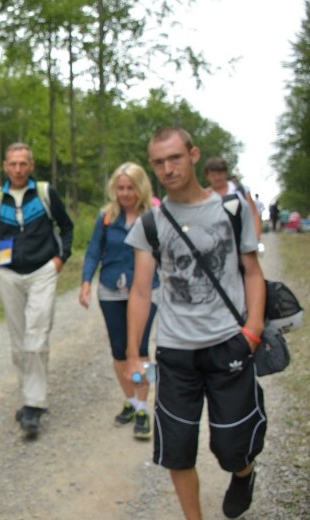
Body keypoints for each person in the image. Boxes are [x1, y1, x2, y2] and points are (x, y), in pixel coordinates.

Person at [126, 128, 267, 520]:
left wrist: (251, 332)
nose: (167, 169)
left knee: (231, 446)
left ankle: (243, 471)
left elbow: (253, 273)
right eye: (158, 162)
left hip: (229, 345)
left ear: (193, 155)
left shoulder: (232, 210)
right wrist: (134, 352)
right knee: (177, 447)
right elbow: (140, 292)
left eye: (175, 158)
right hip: (175, 351)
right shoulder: (151, 223)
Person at [0, 142, 74, 439]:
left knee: (36, 338)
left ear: (31, 166)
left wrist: (61, 258)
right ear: (5, 167)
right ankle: (31, 397)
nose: (18, 169)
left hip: (42, 272)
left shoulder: (45, 193)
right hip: (10, 276)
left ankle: (34, 405)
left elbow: (66, 226)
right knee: (19, 344)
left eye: (23, 164)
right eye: (13, 164)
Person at [79, 162, 159, 440]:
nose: (125, 194)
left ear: (141, 189)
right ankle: (130, 399)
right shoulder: (106, 217)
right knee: (119, 350)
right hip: (112, 289)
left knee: (140, 348)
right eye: (120, 188)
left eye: (130, 188)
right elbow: (93, 252)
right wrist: (86, 282)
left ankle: (143, 407)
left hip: (147, 291)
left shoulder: (153, 217)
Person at [203, 157, 262, 239]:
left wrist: (256, 238)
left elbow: (254, 214)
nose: (217, 178)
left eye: (220, 174)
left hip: (243, 239)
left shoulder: (240, 191)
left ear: (226, 173)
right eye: (213, 175)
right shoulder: (204, 196)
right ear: (207, 176)